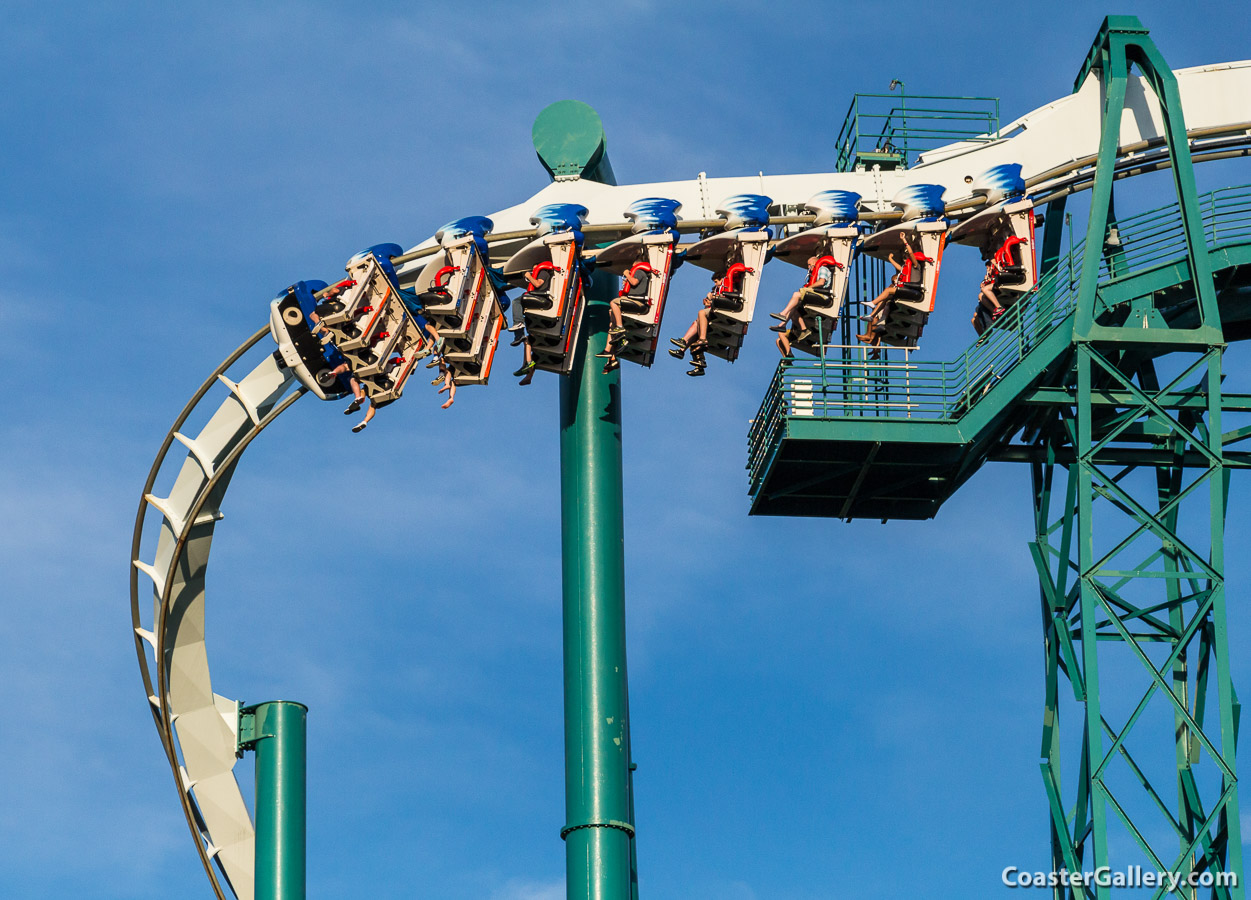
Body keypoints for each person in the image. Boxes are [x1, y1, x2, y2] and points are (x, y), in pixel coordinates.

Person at [596, 259, 655, 374]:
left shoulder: (639, 271)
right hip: (635, 302)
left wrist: (627, 274)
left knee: (614, 303)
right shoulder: (640, 272)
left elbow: (634, 282)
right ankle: (610, 355)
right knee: (611, 320)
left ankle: (620, 327)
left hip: (639, 304)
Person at [770, 253, 841, 340]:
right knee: (794, 309)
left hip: (824, 297)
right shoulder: (814, 273)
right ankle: (786, 326)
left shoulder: (822, 269)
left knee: (797, 294)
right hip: (818, 294)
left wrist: (809, 288)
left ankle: (783, 314)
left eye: (809, 265)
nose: (808, 267)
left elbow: (821, 282)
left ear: (814, 263)